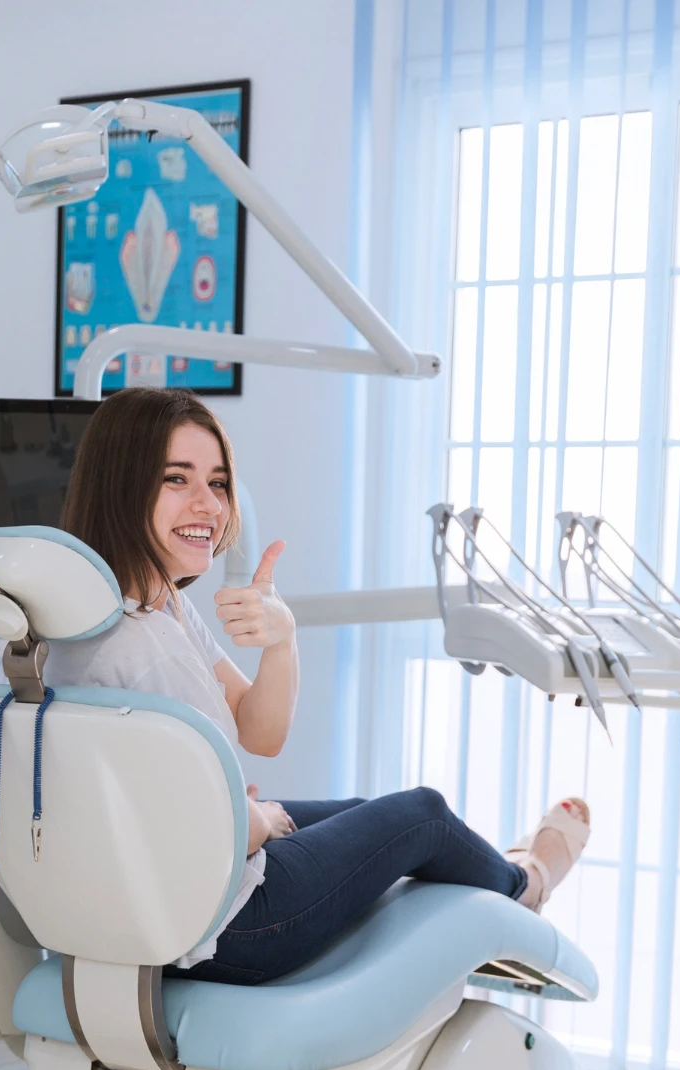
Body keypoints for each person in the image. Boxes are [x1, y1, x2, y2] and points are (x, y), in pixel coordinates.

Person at [48, 386, 590, 985]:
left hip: (150, 903)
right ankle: (527, 885)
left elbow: (261, 730)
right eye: (177, 479)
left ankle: (495, 882)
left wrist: (282, 637)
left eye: (219, 483)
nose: (209, 504)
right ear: (122, 485)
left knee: (364, 813)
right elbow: (217, 832)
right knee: (422, 816)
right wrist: (257, 820)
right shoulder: (150, 651)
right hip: (231, 925)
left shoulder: (130, 612)